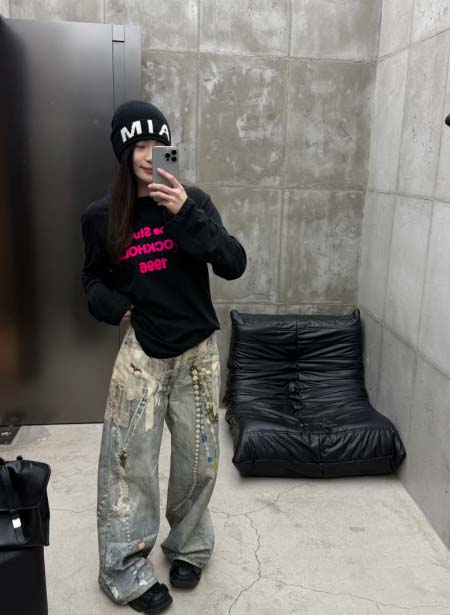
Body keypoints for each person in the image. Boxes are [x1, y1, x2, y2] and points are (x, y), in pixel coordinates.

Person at [80, 99, 247, 614]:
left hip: (198, 353)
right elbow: (92, 278)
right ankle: (124, 570)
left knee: (198, 464)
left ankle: (189, 547)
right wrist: (114, 306)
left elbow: (233, 263)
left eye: (159, 144)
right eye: (139, 146)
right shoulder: (102, 217)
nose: (149, 155)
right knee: (128, 466)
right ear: (123, 153)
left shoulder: (193, 201)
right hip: (143, 356)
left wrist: (186, 214)